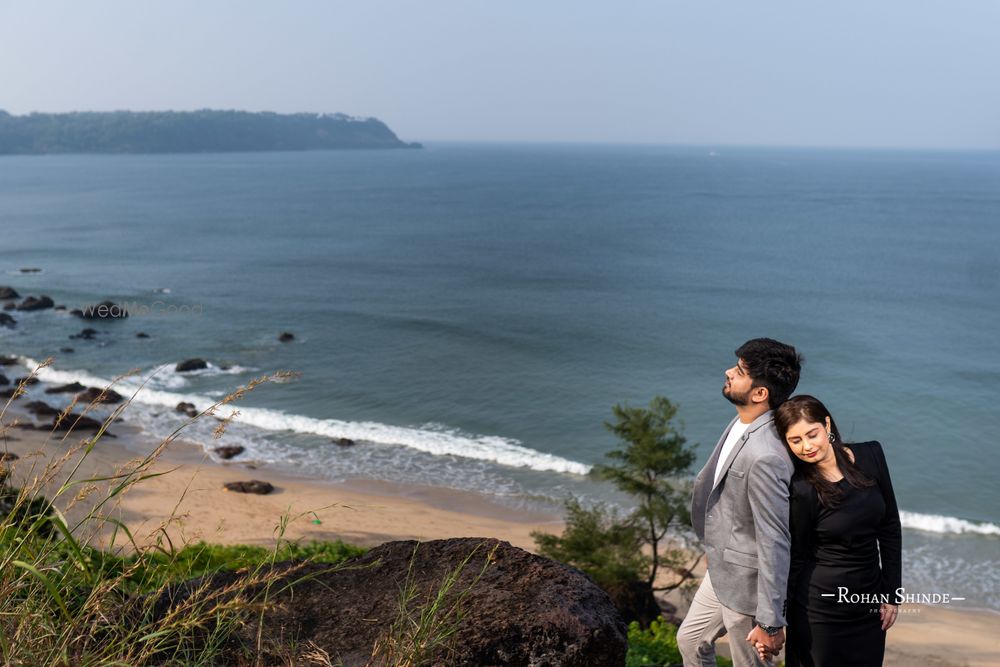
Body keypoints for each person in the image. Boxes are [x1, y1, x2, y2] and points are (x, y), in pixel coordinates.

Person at [678, 338, 803, 667]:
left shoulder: (766, 455)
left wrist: (771, 620)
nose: (728, 372)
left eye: (740, 370)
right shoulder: (743, 421)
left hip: (750, 586)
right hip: (723, 566)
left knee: (749, 664)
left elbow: (774, 539)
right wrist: (713, 545)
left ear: (761, 393)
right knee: (690, 640)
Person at [768, 395, 902, 667]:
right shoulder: (802, 489)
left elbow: (890, 526)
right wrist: (775, 621)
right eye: (795, 441)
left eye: (811, 434)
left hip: (868, 603)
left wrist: (892, 594)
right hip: (819, 611)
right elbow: (796, 556)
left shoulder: (871, 454)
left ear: (826, 424)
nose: (807, 446)